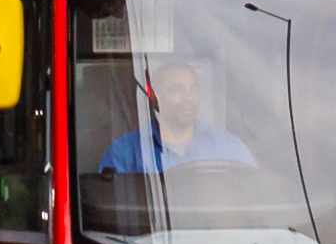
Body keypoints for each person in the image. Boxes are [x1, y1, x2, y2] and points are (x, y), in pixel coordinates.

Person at [95, 61, 258, 175]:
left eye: (193, 90)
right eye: (177, 90)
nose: (188, 98)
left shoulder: (229, 147)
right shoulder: (125, 152)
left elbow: (256, 200)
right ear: (154, 97)